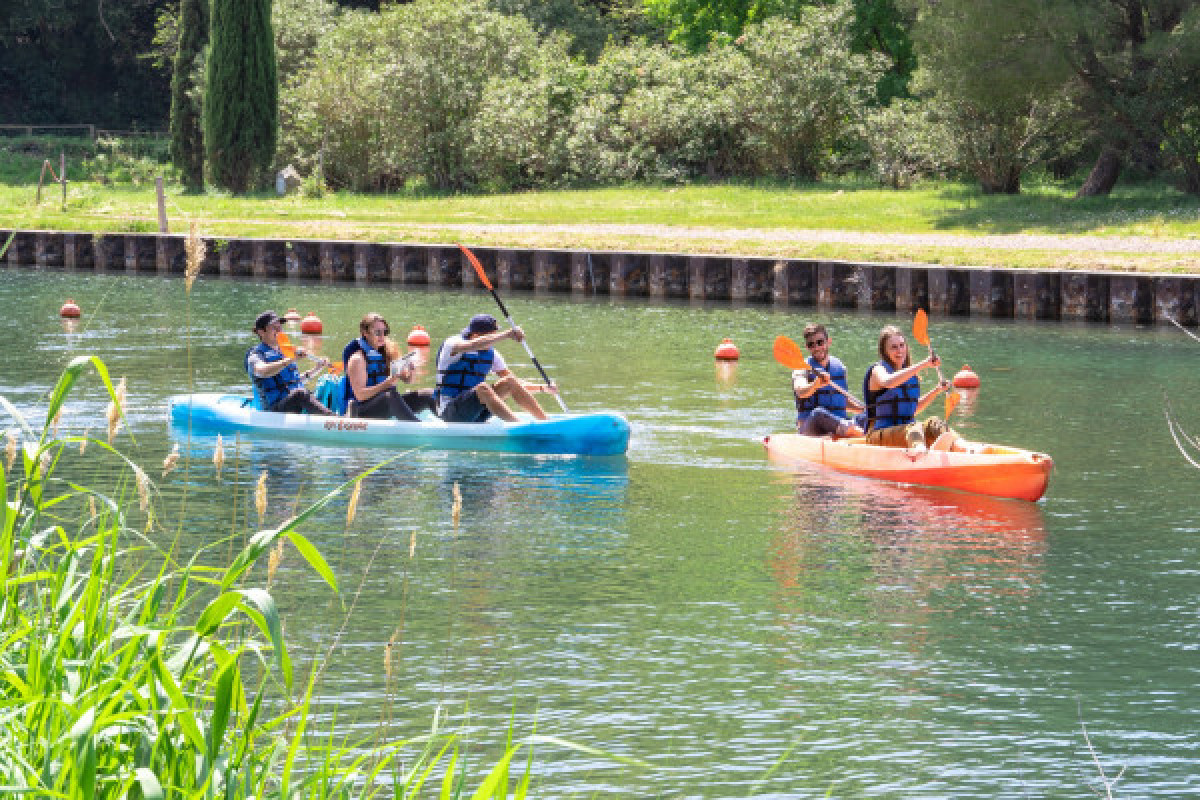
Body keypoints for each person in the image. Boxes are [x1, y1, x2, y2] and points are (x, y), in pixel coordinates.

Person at [434, 313, 556, 423]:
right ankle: (518, 426)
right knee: (483, 388)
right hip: (450, 412)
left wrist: (542, 388)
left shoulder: (492, 354)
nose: (493, 341)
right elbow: (472, 345)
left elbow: (516, 385)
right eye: (491, 337)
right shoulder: (452, 343)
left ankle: (546, 422)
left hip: (478, 412)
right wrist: (507, 334)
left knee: (510, 381)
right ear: (475, 335)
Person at [862, 324, 964, 453]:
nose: (899, 350)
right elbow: (888, 382)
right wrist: (924, 364)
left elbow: (913, 409)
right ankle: (921, 454)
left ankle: (963, 447)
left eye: (902, 345)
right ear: (885, 351)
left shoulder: (910, 375)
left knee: (935, 423)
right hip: (878, 435)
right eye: (894, 347)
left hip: (907, 432)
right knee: (914, 427)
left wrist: (936, 390)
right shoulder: (878, 370)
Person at [343, 312, 437, 421]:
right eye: (377, 332)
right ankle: (416, 427)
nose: (382, 336)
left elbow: (408, 381)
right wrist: (387, 383)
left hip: (386, 402)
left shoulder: (386, 353)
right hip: (362, 411)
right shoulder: (357, 359)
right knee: (390, 395)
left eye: (385, 332)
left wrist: (411, 371)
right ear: (365, 333)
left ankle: (450, 427)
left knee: (429, 394)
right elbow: (360, 395)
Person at [246, 310, 334, 414]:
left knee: (327, 386)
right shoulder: (256, 355)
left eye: (280, 327)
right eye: (274, 327)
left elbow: (294, 382)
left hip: (293, 402)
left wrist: (317, 368)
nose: (279, 330)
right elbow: (261, 371)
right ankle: (335, 420)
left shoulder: (284, 352)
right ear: (261, 331)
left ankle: (343, 417)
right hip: (273, 410)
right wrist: (290, 359)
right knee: (300, 394)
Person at [792, 323, 864, 438]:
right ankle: (854, 431)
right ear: (807, 347)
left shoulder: (840, 367)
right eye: (811, 344)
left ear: (828, 342)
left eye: (820, 342)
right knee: (818, 413)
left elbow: (840, 401)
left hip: (839, 423)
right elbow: (800, 391)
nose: (816, 347)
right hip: (812, 427)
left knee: (866, 415)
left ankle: (852, 431)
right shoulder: (801, 368)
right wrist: (815, 385)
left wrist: (861, 409)